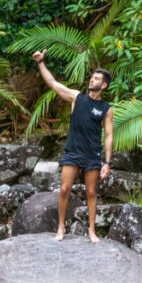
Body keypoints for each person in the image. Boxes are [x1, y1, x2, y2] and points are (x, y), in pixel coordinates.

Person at [32, 49, 113, 243]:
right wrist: (41, 63)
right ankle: (61, 227)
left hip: (92, 155)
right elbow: (53, 84)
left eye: (96, 79)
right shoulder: (77, 97)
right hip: (73, 151)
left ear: (103, 85)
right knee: (64, 189)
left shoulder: (106, 108)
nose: (91, 80)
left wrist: (107, 162)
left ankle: (91, 230)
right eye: (91, 77)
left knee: (91, 192)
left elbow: (109, 135)